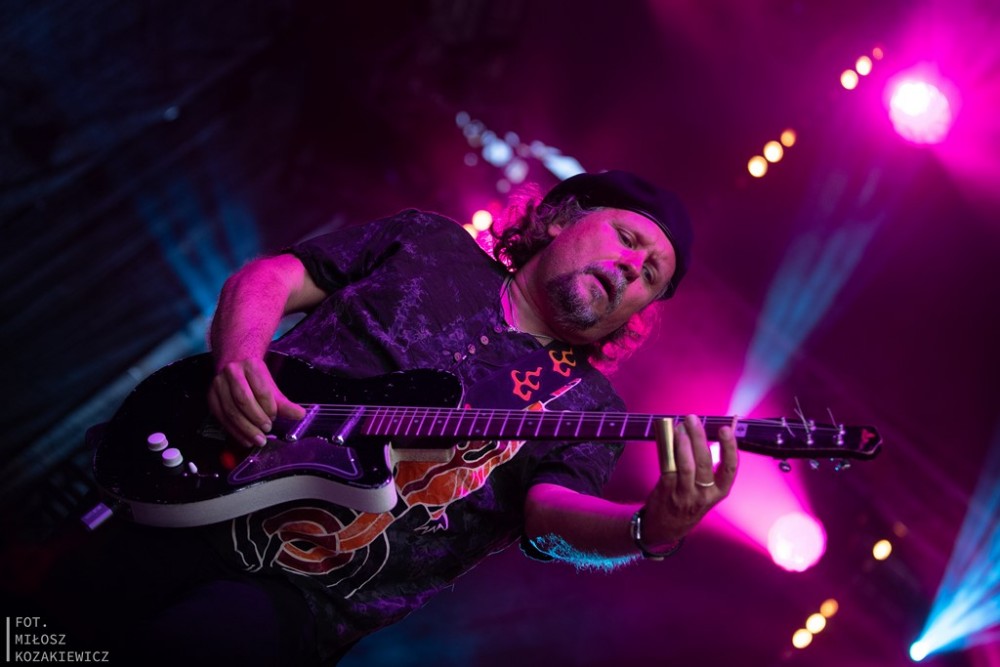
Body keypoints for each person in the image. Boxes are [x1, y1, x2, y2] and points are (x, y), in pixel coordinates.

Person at [34, 170, 739, 665]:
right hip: (200, 482)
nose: (633, 268)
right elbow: (272, 276)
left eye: (651, 276)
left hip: (300, 597)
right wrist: (239, 360)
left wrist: (647, 528)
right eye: (627, 238)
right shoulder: (429, 243)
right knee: (43, 633)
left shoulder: (585, 406)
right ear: (561, 218)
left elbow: (549, 515)